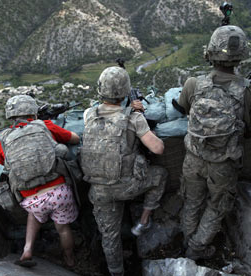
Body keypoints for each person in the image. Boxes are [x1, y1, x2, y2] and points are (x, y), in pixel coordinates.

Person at [176, 25, 251, 260]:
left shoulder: (194, 84)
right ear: (241, 55)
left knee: (192, 201)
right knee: (217, 206)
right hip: (223, 164)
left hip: (193, 158)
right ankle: (196, 248)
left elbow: (183, 109)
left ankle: (187, 240)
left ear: (210, 52)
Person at [81, 66, 168, 276]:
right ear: (125, 92)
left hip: (99, 191)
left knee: (109, 236)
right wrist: (138, 115)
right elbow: (158, 148)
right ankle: (143, 221)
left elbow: (108, 116)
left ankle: (116, 272)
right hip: (127, 186)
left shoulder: (88, 114)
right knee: (160, 175)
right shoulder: (133, 118)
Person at [0, 95, 80, 267]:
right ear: (32, 112)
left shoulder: (1, 138)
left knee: (34, 215)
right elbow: (75, 138)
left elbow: (2, 161)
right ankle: (70, 259)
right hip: (59, 192)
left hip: (31, 198)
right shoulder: (45, 125)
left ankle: (27, 249)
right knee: (63, 229)